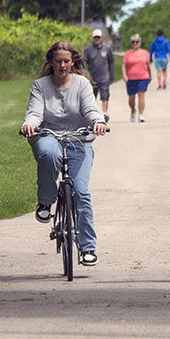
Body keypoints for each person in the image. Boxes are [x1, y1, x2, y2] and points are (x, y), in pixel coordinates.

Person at [21, 41, 108, 267]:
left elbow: (90, 108)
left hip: (79, 139)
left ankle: (87, 248)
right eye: (58, 61)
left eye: (66, 61)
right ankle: (45, 202)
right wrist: (29, 125)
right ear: (50, 62)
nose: (62, 65)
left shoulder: (82, 84)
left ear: (72, 62)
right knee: (49, 154)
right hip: (48, 135)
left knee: (81, 192)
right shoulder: (40, 86)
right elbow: (34, 111)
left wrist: (98, 121)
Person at [82, 29, 115, 122]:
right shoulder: (88, 50)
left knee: (105, 96)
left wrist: (111, 75)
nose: (97, 39)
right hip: (92, 78)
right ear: (93, 38)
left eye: (98, 37)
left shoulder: (106, 49)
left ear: (101, 38)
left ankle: (104, 113)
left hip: (104, 77)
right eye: (95, 37)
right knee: (92, 97)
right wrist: (85, 76)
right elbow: (84, 64)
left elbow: (111, 62)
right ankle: (93, 114)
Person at [122, 33, 152, 122]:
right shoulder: (128, 54)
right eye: (133, 42)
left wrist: (150, 75)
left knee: (141, 95)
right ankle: (133, 110)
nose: (135, 43)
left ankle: (141, 115)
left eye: (137, 42)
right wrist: (124, 75)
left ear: (140, 43)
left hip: (143, 77)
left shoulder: (145, 53)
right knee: (131, 98)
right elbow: (124, 65)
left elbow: (147, 65)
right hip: (131, 78)